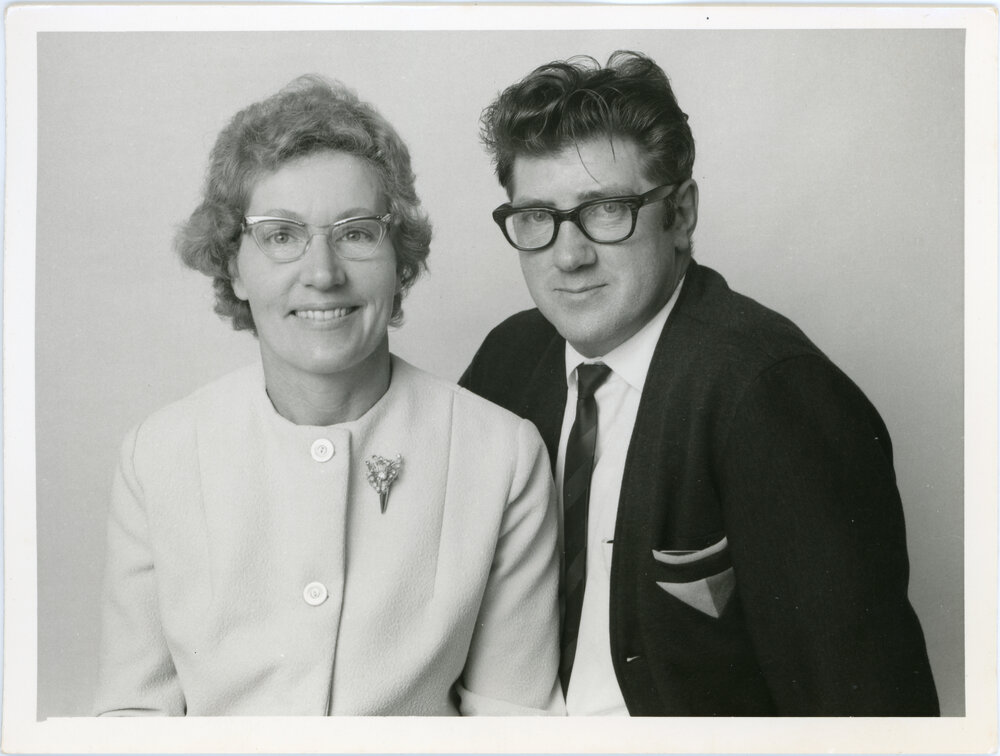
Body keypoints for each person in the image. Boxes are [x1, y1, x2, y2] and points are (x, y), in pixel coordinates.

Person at [460, 51, 939, 716]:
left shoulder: (771, 395)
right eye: (537, 217)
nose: (568, 257)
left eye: (605, 210)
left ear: (680, 213)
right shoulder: (509, 359)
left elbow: (866, 707)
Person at [93, 75, 562, 716]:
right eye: (281, 235)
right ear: (233, 262)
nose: (322, 273)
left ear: (400, 257)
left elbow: (513, 727)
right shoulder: (159, 456)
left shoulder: (503, 455)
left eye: (357, 232)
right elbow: (132, 720)